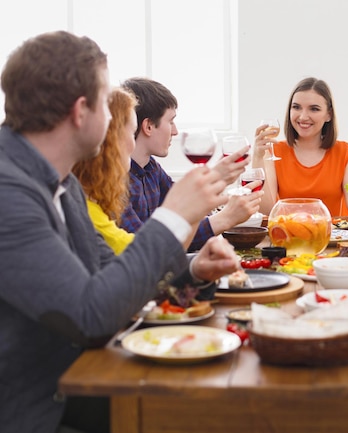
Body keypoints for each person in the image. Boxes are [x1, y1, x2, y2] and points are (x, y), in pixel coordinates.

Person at [0, 31, 242, 433]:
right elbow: (90, 316)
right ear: (81, 111)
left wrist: (193, 274)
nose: (114, 121)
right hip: (41, 411)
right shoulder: (9, 194)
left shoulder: (63, 183)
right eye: (106, 106)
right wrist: (172, 218)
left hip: (85, 382)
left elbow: (113, 276)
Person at [120, 77, 262, 252]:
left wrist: (218, 180)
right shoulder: (114, 182)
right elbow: (145, 252)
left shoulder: (152, 169)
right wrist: (225, 218)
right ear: (148, 126)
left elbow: (187, 214)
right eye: (171, 121)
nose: (175, 131)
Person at [252, 77, 348, 216]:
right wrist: (257, 157)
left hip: (333, 236)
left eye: (314, 109)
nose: (303, 117)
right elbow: (266, 209)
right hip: (288, 234)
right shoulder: (274, 151)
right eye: (296, 107)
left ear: (329, 115)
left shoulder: (345, 153)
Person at [72, 87, 138, 254]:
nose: (133, 144)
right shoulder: (83, 210)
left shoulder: (87, 199)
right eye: (132, 132)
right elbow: (147, 257)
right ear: (111, 140)